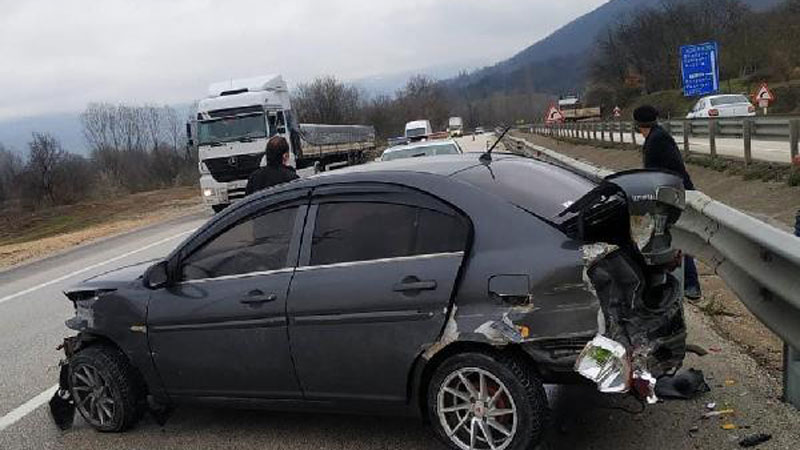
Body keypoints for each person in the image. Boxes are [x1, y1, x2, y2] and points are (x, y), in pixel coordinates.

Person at [633, 105, 702, 300]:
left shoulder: (657, 140)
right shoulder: (657, 136)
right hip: (673, 192)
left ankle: (690, 284)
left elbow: (657, 172)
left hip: (675, 195)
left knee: (676, 238)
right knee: (673, 238)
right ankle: (684, 283)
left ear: (638, 125)